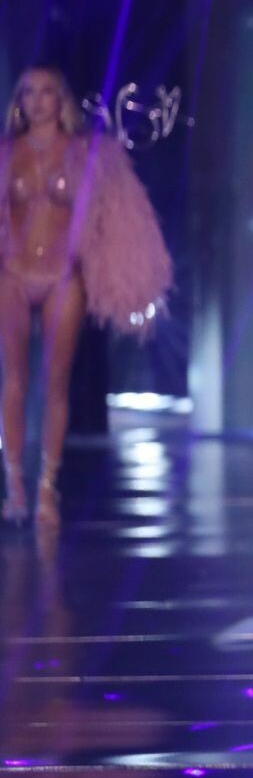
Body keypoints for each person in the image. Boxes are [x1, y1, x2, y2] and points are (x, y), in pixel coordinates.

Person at [0, 66, 171, 526]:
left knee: (55, 382)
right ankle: (14, 484)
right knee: (13, 379)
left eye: (47, 92)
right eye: (29, 92)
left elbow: (118, 217)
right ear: (19, 101)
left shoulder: (88, 157)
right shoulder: (7, 155)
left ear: (62, 100)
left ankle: (47, 487)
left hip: (62, 277)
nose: (38, 101)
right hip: (12, 274)